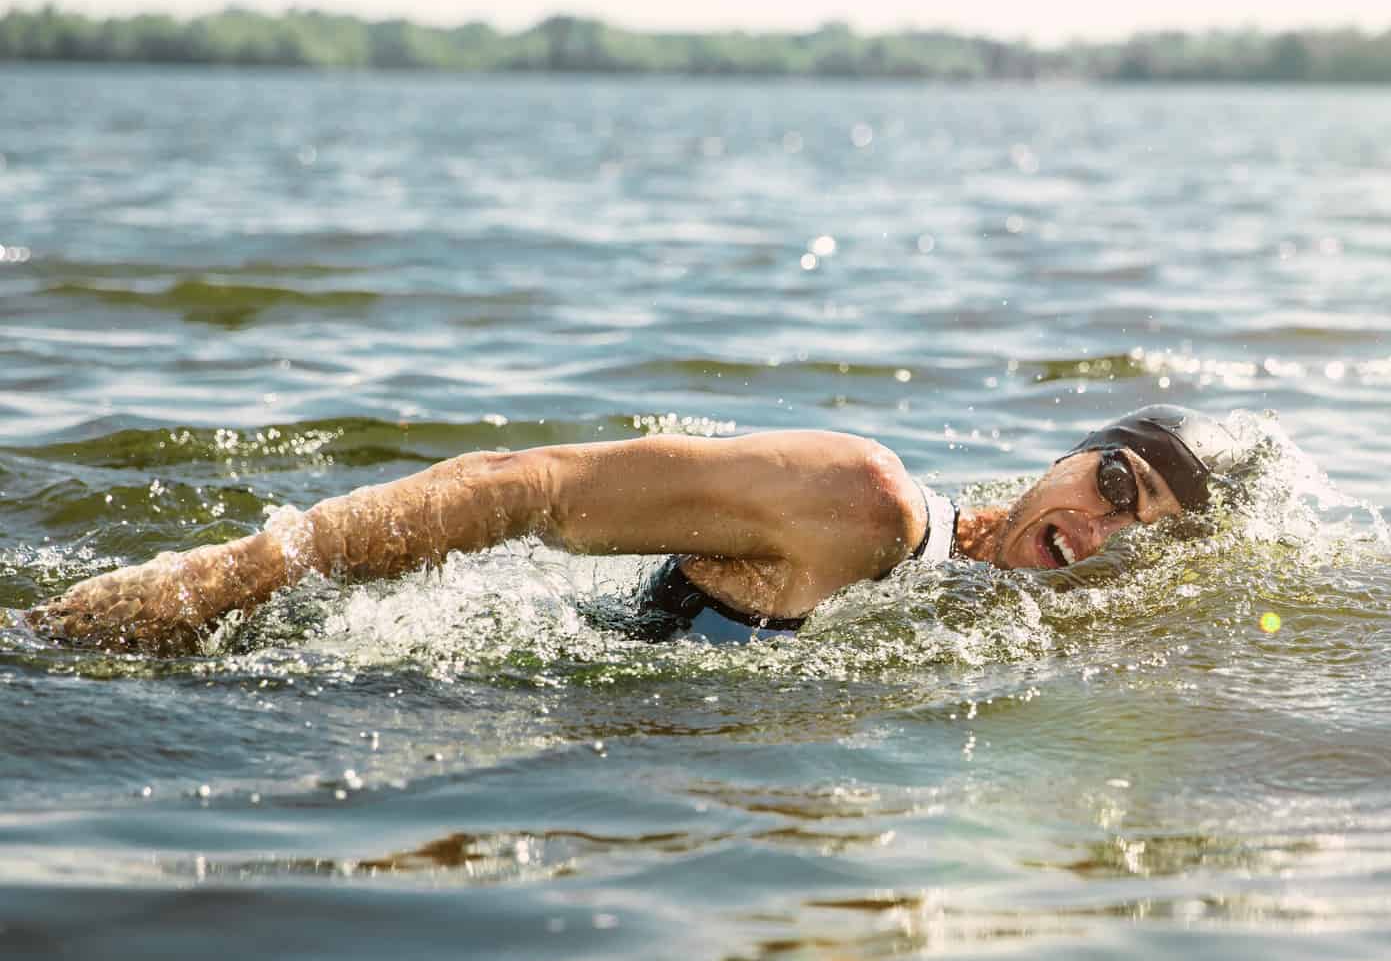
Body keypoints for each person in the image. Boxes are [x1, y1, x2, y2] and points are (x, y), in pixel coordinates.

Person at [28, 405, 1246, 653]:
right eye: (1117, 483)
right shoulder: (867, 503)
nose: (1102, 531)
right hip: (379, 714)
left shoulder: (1010, 626)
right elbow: (530, 480)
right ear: (1066, 456)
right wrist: (213, 583)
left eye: (1144, 534)